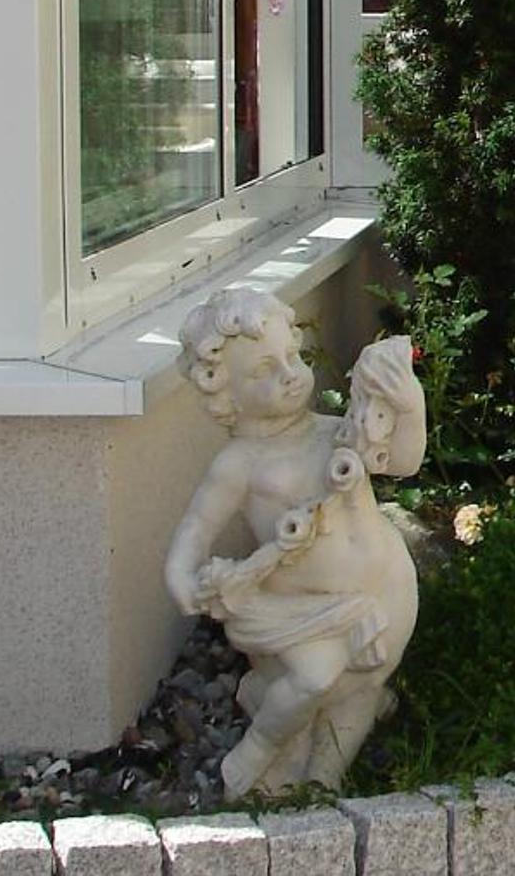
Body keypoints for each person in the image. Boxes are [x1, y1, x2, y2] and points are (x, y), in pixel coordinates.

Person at [166, 290, 425, 799]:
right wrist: (183, 579)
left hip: (386, 594)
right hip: (307, 614)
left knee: (362, 688)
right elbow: (196, 529)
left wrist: (409, 405)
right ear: (226, 393)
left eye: (294, 357)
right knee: (316, 680)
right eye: (266, 369)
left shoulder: (334, 433)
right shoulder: (240, 465)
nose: (291, 374)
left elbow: (402, 461)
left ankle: (326, 776)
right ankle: (266, 745)